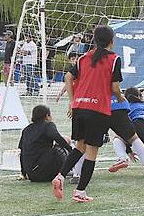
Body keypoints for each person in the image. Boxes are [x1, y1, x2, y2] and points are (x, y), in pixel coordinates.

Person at [51, 25, 125, 203]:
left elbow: (68, 77)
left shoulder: (84, 58)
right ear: (111, 41)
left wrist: (72, 100)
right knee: (91, 153)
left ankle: (60, 176)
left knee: (80, 147)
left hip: (79, 108)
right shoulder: (114, 59)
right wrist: (120, 96)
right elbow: (115, 87)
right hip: (98, 110)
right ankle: (80, 192)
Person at [18, 105, 73, 182]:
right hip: (45, 172)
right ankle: (67, 171)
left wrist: (24, 173)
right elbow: (58, 138)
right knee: (59, 147)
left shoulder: (26, 130)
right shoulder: (48, 125)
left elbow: (22, 152)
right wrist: (72, 151)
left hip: (32, 175)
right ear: (47, 116)